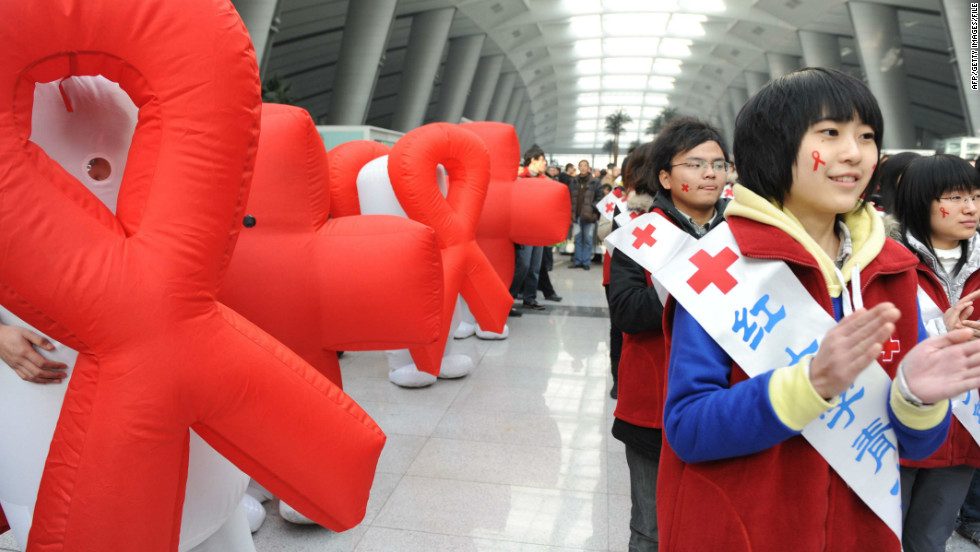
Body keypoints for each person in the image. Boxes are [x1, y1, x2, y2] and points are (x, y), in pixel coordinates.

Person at [657, 67, 980, 551]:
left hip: (860, 532)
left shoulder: (893, 269)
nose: (854, 152)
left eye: (866, 136)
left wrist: (917, 399)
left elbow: (915, 447)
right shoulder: (724, 264)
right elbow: (688, 428)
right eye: (829, 133)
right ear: (773, 147)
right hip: (743, 531)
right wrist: (808, 385)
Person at [608, 117, 730, 551]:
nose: (710, 173)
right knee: (650, 527)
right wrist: (682, 279)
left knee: (713, 525)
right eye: (695, 164)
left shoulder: (742, 235)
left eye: (719, 164)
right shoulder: (638, 236)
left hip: (723, 401)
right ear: (665, 176)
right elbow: (624, 312)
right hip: (653, 403)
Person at [892, 154, 980, 552]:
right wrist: (937, 332)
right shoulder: (887, 264)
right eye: (956, 196)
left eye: (976, 197)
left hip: (965, 434)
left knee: (930, 539)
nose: (970, 208)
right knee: (882, 536)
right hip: (901, 430)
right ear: (921, 200)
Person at [512, 144, 548, 310]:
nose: (545, 163)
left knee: (535, 266)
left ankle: (530, 298)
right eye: (542, 160)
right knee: (523, 265)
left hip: (540, 228)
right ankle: (509, 297)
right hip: (523, 228)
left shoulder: (545, 181)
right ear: (533, 161)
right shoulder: (519, 177)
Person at [570, 159, 600, 269]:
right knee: (577, 239)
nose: (583, 168)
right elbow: (569, 198)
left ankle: (586, 262)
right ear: (578, 168)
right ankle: (578, 261)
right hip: (576, 216)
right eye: (581, 166)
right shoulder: (574, 181)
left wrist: (591, 208)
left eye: (585, 166)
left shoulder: (595, 182)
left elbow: (600, 198)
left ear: (588, 168)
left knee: (588, 240)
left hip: (589, 216)